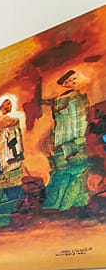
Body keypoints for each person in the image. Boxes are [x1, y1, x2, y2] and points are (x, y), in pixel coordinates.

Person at [39, 69, 91, 212]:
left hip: (76, 141)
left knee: (75, 172)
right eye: (69, 81)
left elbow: (82, 122)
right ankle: (56, 205)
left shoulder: (80, 98)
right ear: (65, 84)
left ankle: (74, 203)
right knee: (60, 172)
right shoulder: (62, 99)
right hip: (61, 140)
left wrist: (79, 142)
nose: (72, 82)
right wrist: (52, 140)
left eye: (74, 79)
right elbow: (58, 122)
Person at [0, 95, 26, 227]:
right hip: (4, 158)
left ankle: (8, 215)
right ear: (0, 107)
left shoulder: (14, 121)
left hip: (14, 158)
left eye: (9, 104)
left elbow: (18, 139)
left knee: (14, 186)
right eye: (5, 104)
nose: (8, 107)